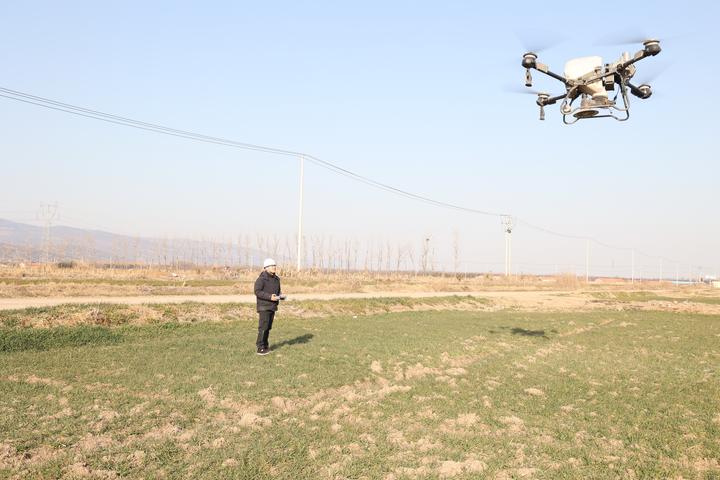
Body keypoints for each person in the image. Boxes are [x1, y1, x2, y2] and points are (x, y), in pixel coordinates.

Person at [254, 258, 283, 355]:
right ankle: (260, 348)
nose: (274, 267)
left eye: (274, 265)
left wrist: (280, 296)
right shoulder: (261, 279)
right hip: (264, 306)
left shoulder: (277, 279)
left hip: (272, 306)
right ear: (266, 268)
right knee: (263, 327)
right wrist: (269, 297)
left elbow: (278, 291)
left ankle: (265, 345)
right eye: (271, 266)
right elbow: (257, 292)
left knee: (268, 327)